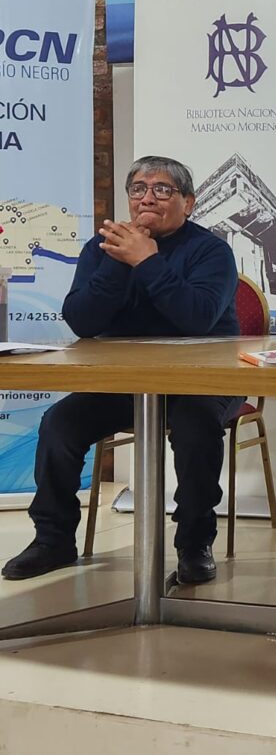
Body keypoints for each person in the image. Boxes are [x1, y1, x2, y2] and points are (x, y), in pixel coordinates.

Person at [1, 156, 243, 585]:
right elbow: (82, 320)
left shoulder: (212, 251)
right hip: (125, 382)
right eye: (138, 189)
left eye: (162, 189)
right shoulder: (102, 248)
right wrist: (119, 260)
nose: (148, 197)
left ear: (188, 202)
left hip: (203, 380)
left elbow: (198, 319)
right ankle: (53, 538)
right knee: (59, 423)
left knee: (194, 426)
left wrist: (148, 261)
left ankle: (193, 542)